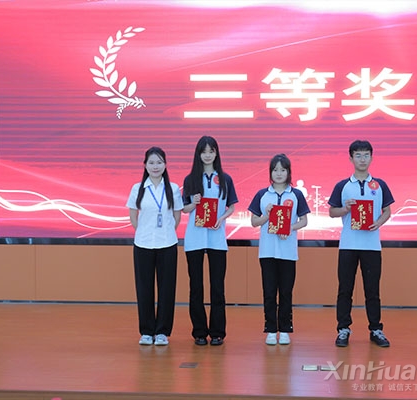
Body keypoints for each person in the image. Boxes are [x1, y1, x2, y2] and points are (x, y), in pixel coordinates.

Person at [328, 140, 394, 348]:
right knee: (345, 289)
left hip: (372, 246)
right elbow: (332, 212)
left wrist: (378, 223)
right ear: (351, 158)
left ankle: (376, 329)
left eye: (366, 155)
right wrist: (345, 209)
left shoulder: (380, 185)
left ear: (371, 158)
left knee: (372, 290)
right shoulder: (342, 186)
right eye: (358, 155)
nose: (362, 159)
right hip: (348, 244)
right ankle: (343, 329)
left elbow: (387, 211)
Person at [182, 136, 238, 346]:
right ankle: (199, 332)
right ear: (198, 154)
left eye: (211, 151)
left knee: (217, 287)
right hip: (195, 238)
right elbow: (184, 208)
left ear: (216, 153)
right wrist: (193, 203)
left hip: (217, 238)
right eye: (203, 151)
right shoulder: (190, 179)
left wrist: (221, 219)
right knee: (196, 286)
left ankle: (217, 332)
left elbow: (231, 207)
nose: (207, 155)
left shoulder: (225, 179)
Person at [248, 154, 310, 345]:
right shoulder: (262, 194)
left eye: (283, 170)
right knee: (269, 292)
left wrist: (290, 229)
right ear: (270, 173)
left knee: (285, 292)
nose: (279, 173)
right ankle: (270, 329)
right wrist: (266, 215)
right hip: (267, 251)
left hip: (288, 252)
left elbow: (304, 221)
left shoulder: (296, 194)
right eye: (275, 170)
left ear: (289, 172)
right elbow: (254, 222)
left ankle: (284, 330)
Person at [126, 147, 183, 346]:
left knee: (167, 289)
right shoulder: (138, 188)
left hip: (167, 243)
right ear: (145, 165)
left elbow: (176, 216)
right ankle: (146, 331)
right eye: (151, 162)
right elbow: (133, 215)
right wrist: (143, 231)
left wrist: (165, 232)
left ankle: (162, 332)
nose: (155, 166)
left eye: (159, 162)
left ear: (165, 165)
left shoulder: (173, 188)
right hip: (143, 244)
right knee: (144, 288)